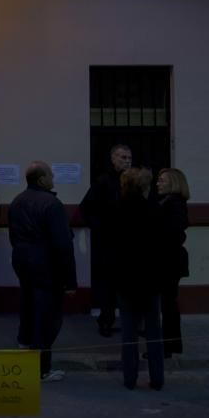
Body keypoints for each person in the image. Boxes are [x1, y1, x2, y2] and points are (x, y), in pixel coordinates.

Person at [9, 161, 78, 383]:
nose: (53, 179)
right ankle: (42, 369)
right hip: (47, 264)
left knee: (27, 306)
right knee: (47, 316)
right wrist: (70, 281)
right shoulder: (52, 204)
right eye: (50, 175)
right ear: (41, 179)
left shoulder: (17, 201)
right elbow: (63, 244)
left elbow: (13, 235)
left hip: (22, 260)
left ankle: (25, 347)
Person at [114, 167, 166, 390]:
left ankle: (129, 379)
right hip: (150, 278)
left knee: (128, 332)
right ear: (143, 186)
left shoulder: (118, 209)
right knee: (154, 331)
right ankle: (157, 378)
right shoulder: (154, 210)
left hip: (126, 278)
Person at [80, 144, 133, 336]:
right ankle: (106, 320)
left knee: (128, 284)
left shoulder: (134, 181)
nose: (126, 161)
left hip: (129, 244)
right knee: (108, 285)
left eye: (128, 157)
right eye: (122, 157)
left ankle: (130, 321)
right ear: (112, 159)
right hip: (108, 244)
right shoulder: (104, 182)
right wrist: (101, 227)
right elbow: (86, 208)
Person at [157, 167, 190, 358]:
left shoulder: (174, 203)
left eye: (162, 180)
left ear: (174, 183)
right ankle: (172, 344)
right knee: (169, 303)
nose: (158, 183)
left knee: (167, 304)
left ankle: (168, 346)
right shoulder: (169, 202)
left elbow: (175, 233)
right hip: (170, 260)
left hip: (169, 261)